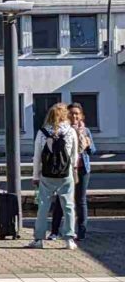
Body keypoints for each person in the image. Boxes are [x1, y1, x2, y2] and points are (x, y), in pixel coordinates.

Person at [28, 102, 79, 250]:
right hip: (65, 173)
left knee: (43, 206)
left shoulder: (42, 132)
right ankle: (69, 239)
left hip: (47, 174)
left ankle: (38, 239)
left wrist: (35, 175)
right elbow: (74, 156)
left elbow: (37, 156)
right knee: (68, 206)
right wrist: (73, 170)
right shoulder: (70, 132)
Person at [50, 103, 96, 241]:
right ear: (67, 115)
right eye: (71, 113)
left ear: (81, 116)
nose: (74, 116)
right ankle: (54, 231)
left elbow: (93, 150)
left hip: (82, 169)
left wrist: (88, 145)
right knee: (60, 199)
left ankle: (81, 232)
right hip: (66, 169)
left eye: (77, 113)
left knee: (80, 200)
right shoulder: (64, 130)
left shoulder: (86, 131)